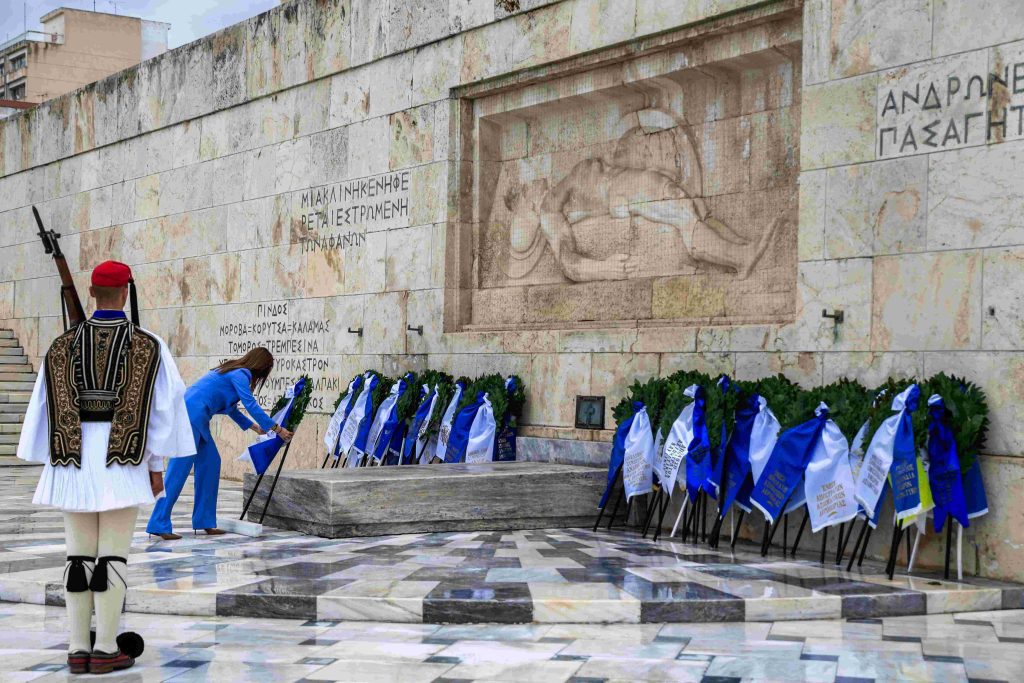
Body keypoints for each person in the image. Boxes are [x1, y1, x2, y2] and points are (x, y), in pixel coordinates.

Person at [17, 261, 195, 675]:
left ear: (93, 293)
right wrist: (156, 466)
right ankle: (107, 648)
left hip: (72, 460)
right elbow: (161, 413)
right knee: (112, 558)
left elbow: (43, 407)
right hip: (123, 459)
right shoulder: (148, 345)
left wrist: (56, 458)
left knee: (77, 557)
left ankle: (78, 648)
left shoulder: (61, 345)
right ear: (126, 292)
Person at [504, 157, 783, 282]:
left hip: (630, 183)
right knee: (682, 212)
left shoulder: (560, 187)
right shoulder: (550, 210)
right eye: (530, 184)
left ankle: (743, 247)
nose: (539, 178)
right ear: (528, 202)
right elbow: (569, 264)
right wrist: (603, 269)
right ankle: (741, 257)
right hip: (627, 194)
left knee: (689, 204)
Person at [146, 347, 292, 540]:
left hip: (198, 417)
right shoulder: (241, 374)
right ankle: (158, 522)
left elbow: (231, 408)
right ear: (262, 367)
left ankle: (205, 521)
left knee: (210, 463)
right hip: (190, 416)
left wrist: (255, 427)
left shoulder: (233, 371)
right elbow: (251, 404)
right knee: (178, 470)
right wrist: (277, 429)